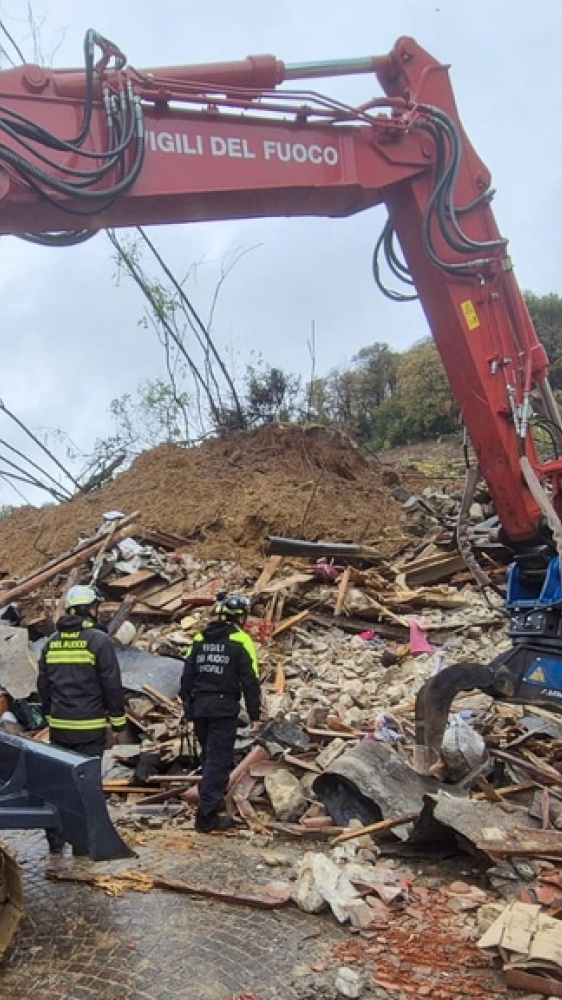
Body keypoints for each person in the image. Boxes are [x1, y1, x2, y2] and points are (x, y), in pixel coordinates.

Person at [37, 584, 127, 851]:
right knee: (87, 786)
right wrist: (118, 723)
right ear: (90, 609)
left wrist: (49, 715)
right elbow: (112, 685)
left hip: (61, 728)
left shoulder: (51, 643)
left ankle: (55, 836)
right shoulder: (98, 642)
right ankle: (82, 842)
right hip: (90, 728)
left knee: (62, 781)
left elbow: (43, 686)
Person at [181, 593, 261, 833]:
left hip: (201, 708)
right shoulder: (241, 641)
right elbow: (250, 681)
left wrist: (188, 711)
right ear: (238, 618)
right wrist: (255, 716)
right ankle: (206, 819)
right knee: (218, 763)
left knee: (209, 760)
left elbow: (186, 678)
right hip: (223, 709)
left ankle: (210, 809)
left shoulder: (199, 640)